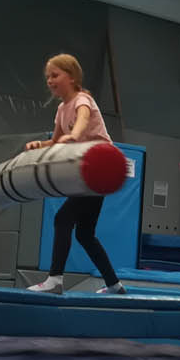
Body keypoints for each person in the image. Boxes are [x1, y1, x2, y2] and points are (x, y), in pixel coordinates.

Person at [26, 54, 125, 295]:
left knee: (63, 219)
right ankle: (114, 285)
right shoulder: (62, 109)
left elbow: (82, 119)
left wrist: (75, 135)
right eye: (48, 77)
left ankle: (55, 279)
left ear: (71, 77)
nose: (50, 81)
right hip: (89, 171)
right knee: (85, 234)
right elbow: (56, 140)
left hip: (101, 166)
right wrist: (40, 144)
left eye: (55, 75)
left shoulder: (83, 99)